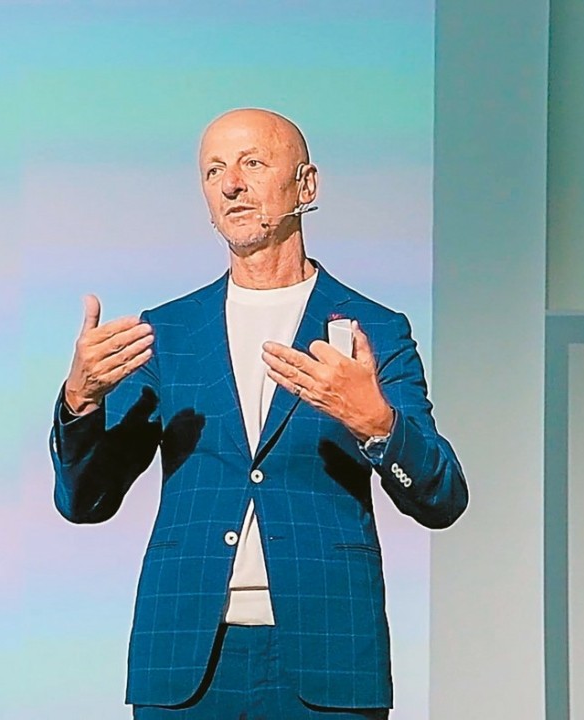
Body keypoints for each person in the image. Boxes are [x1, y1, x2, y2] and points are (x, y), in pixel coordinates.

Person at [49, 108, 468, 719]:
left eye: (252, 163)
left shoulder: (374, 330)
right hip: (186, 661)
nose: (231, 184)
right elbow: (85, 501)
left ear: (306, 185)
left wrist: (377, 424)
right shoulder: (168, 333)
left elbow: (442, 499)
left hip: (329, 656)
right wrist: (80, 401)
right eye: (213, 170)